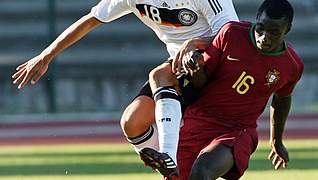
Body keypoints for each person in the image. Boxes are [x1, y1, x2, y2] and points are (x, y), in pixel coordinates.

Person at [11, 0, 239, 178]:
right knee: (132, 122)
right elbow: (91, 19)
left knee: (160, 76)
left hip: (216, 66)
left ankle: (170, 155)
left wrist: (196, 43)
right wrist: (46, 55)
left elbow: (233, 34)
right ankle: (170, 164)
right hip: (180, 66)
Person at [140, 0, 303, 179]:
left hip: (237, 130)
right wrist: (195, 67)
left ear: (287, 30)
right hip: (198, 121)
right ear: (256, 20)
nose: (264, 37)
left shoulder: (292, 65)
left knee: (201, 173)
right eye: (261, 28)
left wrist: (277, 141)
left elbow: (282, 99)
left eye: (274, 33)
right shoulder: (231, 33)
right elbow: (201, 82)